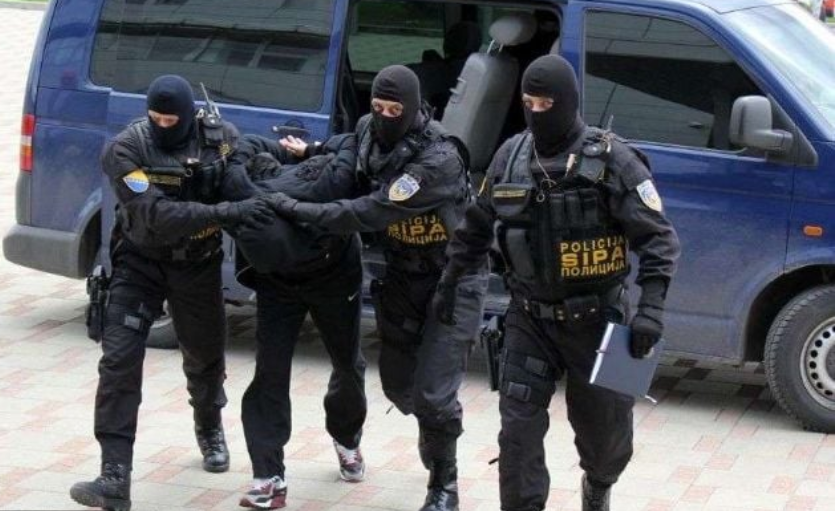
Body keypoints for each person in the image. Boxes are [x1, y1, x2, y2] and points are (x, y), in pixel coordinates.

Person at [434, 55, 681, 511]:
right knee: (517, 436)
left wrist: (651, 310)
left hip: (600, 323)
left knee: (606, 440)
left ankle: (599, 484)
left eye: (546, 103)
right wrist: (449, 282)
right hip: (530, 319)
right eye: (528, 102)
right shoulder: (510, 156)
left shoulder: (614, 160)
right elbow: (476, 225)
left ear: (567, 102)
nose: (536, 112)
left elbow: (659, 240)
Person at [265, 65, 488, 511]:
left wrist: (298, 210)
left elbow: (371, 211)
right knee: (398, 386)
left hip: (452, 281)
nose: (385, 117)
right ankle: (434, 423)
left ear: (413, 108)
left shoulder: (438, 159)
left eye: (394, 110)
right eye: (378, 107)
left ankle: (443, 485)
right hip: (402, 277)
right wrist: (311, 151)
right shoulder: (369, 128)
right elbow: (353, 150)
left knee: (434, 395)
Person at [70, 75, 272, 511]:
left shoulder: (219, 139)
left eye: (171, 119)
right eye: (155, 118)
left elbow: (243, 185)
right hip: (139, 263)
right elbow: (156, 213)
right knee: (119, 362)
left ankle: (209, 425)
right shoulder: (126, 149)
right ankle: (114, 474)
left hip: (197, 266)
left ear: (188, 115)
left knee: (205, 356)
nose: (163, 125)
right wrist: (225, 212)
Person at [228, 134, 368, 510]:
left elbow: (351, 143)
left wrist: (312, 150)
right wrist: (288, 149)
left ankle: (347, 438)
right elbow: (243, 147)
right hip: (277, 285)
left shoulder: (327, 186)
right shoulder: (244, 193)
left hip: (334, 275)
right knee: (269, 372)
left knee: (347, 364)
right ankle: (268, 476)